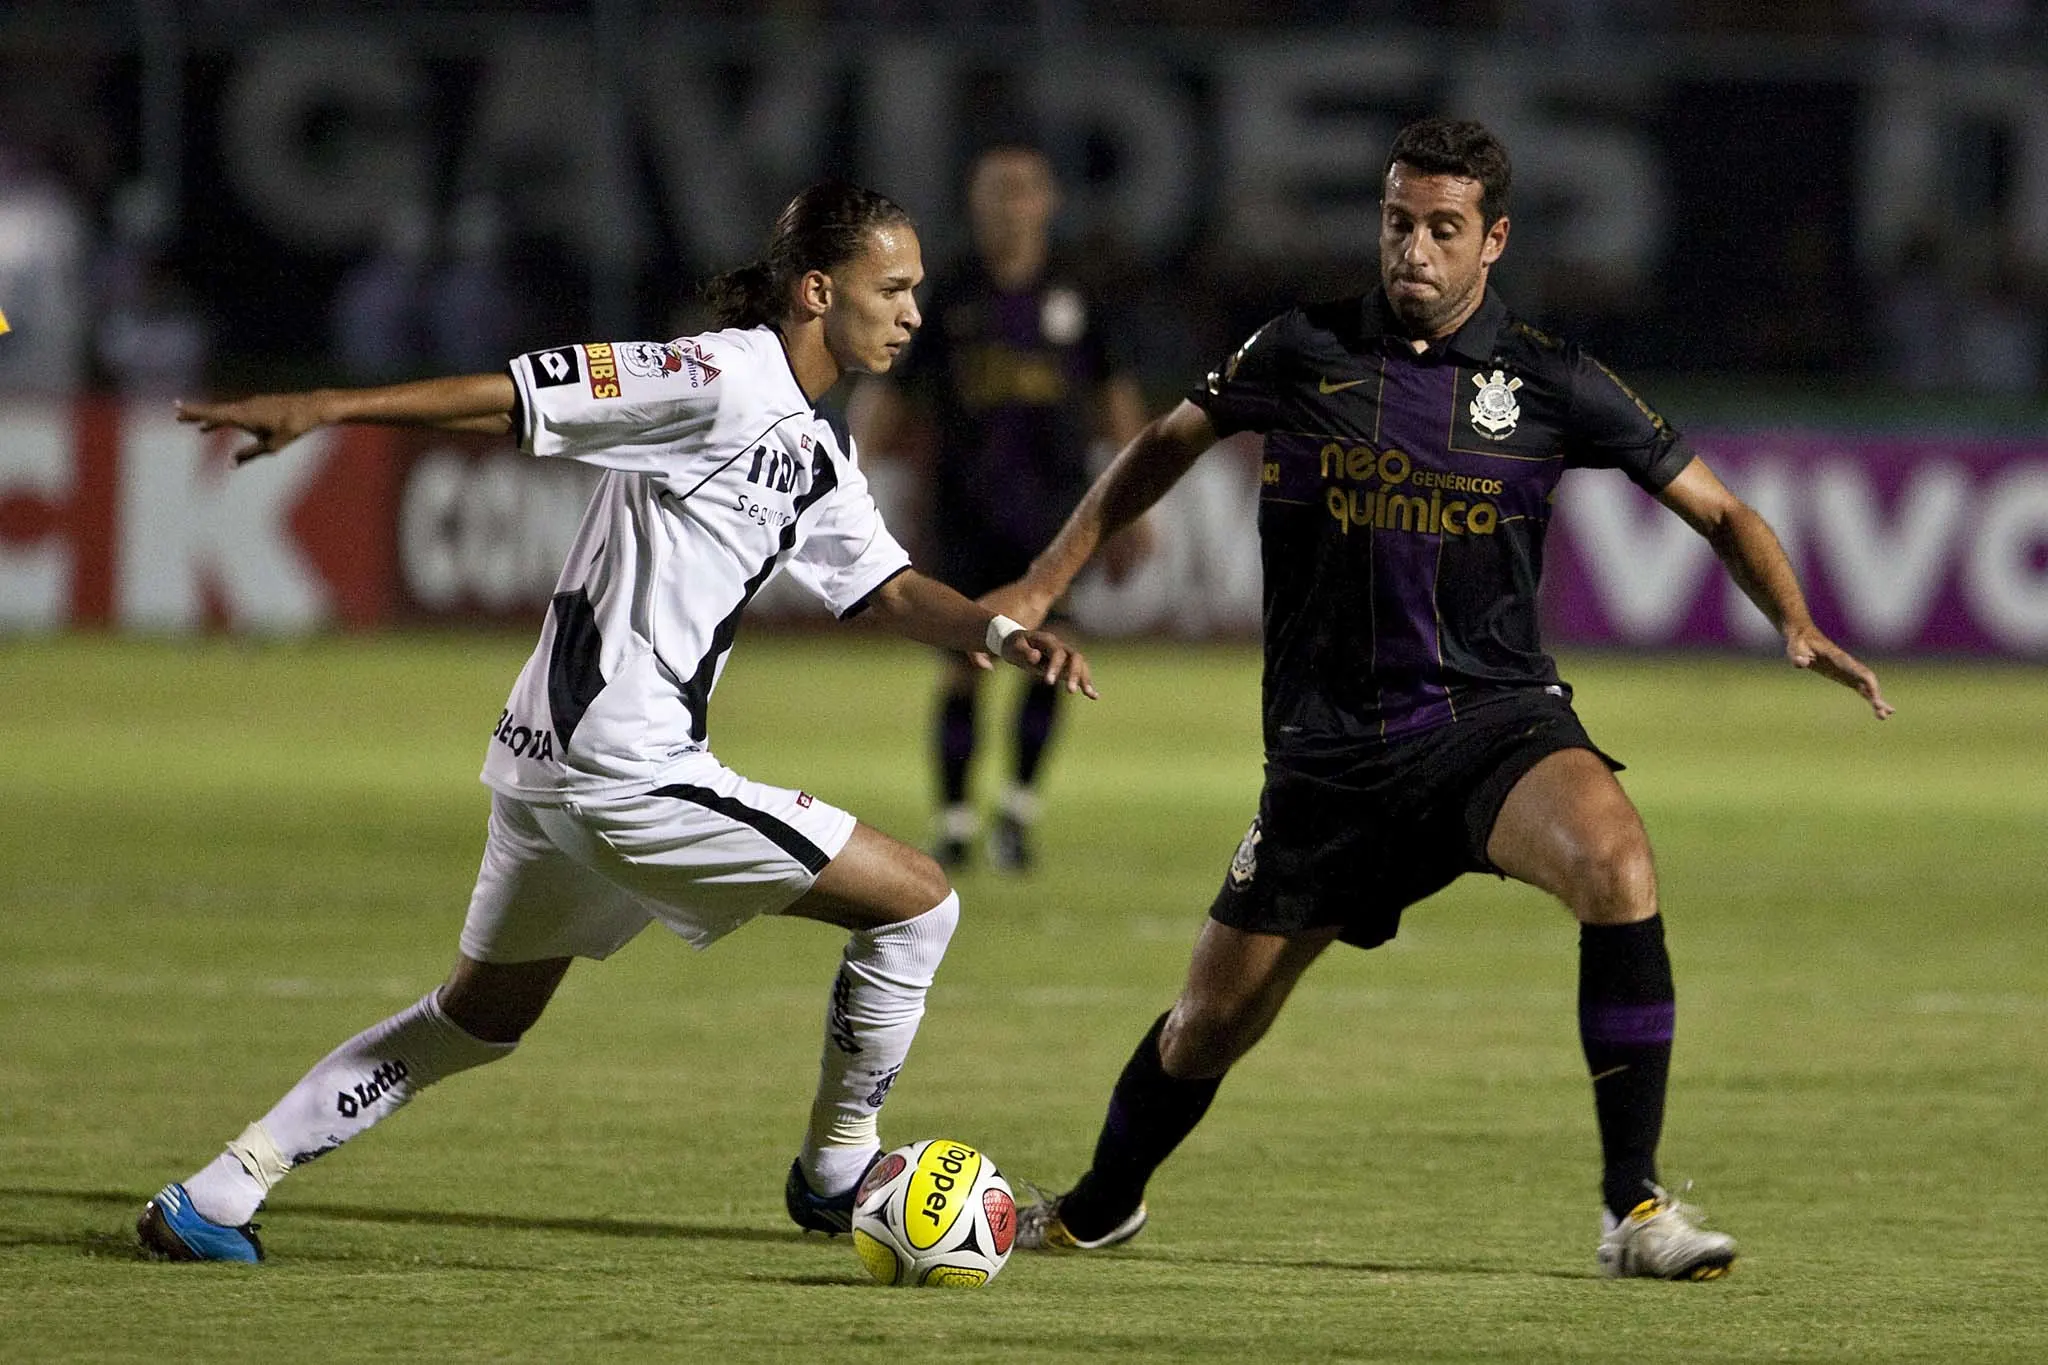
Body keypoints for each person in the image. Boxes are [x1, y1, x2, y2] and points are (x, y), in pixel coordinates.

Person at [987, 119, 1893, 1280]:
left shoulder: (1549, 380)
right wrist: (1047, 578)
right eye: (1396, 223)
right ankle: (1102, 1204)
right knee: (1206, 1025)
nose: (1412, 248)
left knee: (1617, 863)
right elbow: (1158, 448)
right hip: (1326, 759)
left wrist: (1795, 621)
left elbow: (1718, 511)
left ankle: (1635, 1209)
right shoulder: (1301, 349)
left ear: (1492, 241)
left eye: (1442, 229)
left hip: (1490, 726)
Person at [136, 181, 1097, 1263]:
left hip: (544, 769)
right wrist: (327, 407)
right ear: (819, 291)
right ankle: (836, 1172)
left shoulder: (815, 452)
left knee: (476, 1020)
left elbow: (886, 588)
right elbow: (520, 393)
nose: (915, 311)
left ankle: (220, 1190)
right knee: (918, 907)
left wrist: (1004, 634)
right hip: (625, 767)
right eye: (895, 287)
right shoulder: (714, 374)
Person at [851, 145, 1148, 872]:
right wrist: (846, 471)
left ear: (1048, 203)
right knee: (964, 663)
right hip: (964, 509)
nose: (1011, 205)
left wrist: (1138, 505)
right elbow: (889, 395)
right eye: (996, 191)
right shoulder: (947, 295)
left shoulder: (1080, 294)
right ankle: (954, 820)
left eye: (1024, 191)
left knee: (1052, 656)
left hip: (1054, 517)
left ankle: (1017, 810)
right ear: (974, 203)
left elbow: (1114, 399)